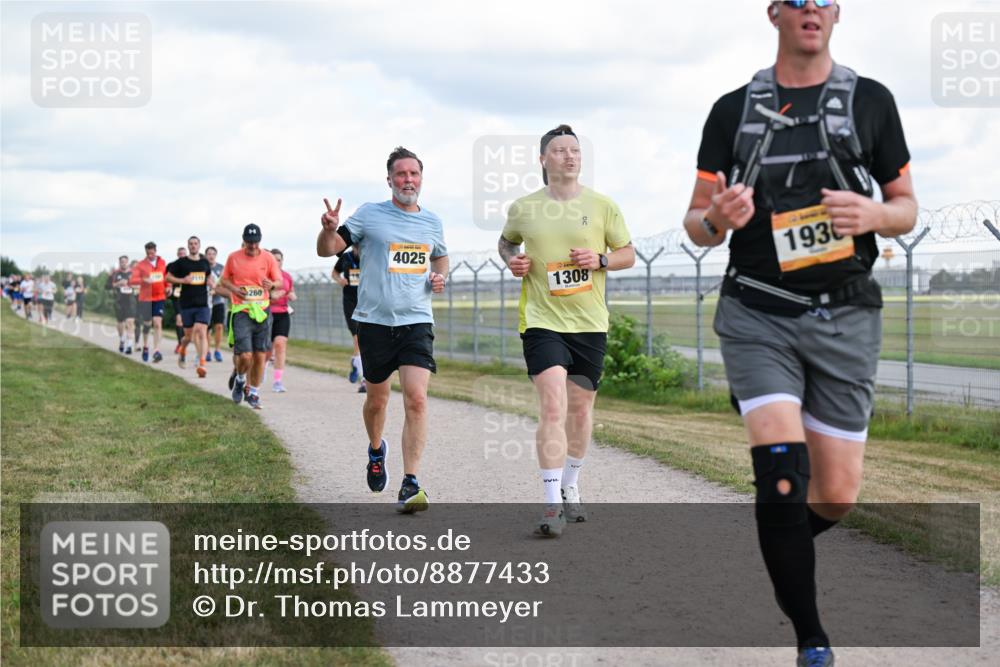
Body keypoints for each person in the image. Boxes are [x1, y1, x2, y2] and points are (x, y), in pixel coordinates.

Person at [682, 2, 918, 664]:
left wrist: (873, 212)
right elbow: (694, 223)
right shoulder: (732, 111)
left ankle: (776, 534)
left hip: (845, 313)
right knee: (782, 475)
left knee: (837, 494)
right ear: (775, 13)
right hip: (758, 311)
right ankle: (812, 639)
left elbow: (906, 207)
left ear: (836, 14)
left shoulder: (871, 102)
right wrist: (717, 220)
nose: (810, 8)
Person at [498, 124, 635, 537]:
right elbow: (506, 243)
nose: (569, 156)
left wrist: (601, 260)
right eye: (559, 150)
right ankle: (551, 503)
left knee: (580, 410)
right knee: (554, 406)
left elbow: (627, 253)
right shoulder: (524, 207)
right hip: (541, 320)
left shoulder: (602, 205)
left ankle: (572, 484)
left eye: (574, 150)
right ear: (543, 159)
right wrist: (512, 260)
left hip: (590, 322)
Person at [316, 146, 448, 513]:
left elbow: (439, 254)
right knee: (377, 401)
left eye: (414, 174)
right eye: (401, 174)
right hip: (374, 322)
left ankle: (411, 482)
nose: (408, 180)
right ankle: (376, 449)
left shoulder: (432, 222)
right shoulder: (370, 216)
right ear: (389, 179)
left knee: (416, 398)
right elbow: (329, 250)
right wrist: (327, 230)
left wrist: (440, 276)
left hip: (416, 320)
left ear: (422, 178)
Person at [219, 224, 284, 410]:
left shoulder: (268, 257)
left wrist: (271, 284)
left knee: (260, 355)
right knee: (245, 355)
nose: (253, 246)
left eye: (256, 242)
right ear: (244, 240)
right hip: (242, 310)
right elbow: (224, 280)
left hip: (262, 311)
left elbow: (278, 281)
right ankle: (240, 379)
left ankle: (254, 392)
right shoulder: (234, 257)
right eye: (249, 242)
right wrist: (234, 290)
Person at [167, 236, 215, 378]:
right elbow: (168, 277)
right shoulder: (181, 263)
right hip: (187, 304)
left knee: (201, 331)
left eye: (195, 244)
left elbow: (208, 277)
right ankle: (183, 350)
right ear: (188, 246)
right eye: (191, 244)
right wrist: (182, 280)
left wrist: (210, 283)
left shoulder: (204, 262)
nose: (193, 246)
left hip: (202, 304)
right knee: (188, 336)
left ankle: (202, 364)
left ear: (199, 246)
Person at [332, 244, 366, 393]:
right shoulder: (345, 257)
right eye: (356, 246)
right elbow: (334, 272)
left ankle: (355, 362)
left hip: (367, 301)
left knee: (367, 339)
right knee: (358, 338)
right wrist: (339, 280)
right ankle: (364, 380)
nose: (358, 248)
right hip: (350, 302)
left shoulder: (369, 256)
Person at [130, 242, 169, 363]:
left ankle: (157, 350)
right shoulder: (141, 265)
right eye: (148, 253)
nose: (150, 255)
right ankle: (145, 346)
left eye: (152, 253)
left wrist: (168, 286)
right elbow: (132, 280)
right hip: (146, 299)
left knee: (157, 323)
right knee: (147, 324)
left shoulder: (162, 262)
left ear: (156, 251)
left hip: (159, 297)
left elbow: (166, 276)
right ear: (145, 252)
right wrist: (144, 280)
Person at [265, 249, 296, 392]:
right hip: (267, 314)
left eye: (279, 259)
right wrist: (272, 296)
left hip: (283, 314)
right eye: (274, 259)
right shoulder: (266, 277)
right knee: (266, 350)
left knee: (280, 344)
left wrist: (291, 295)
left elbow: (291, 291)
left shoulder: (287, 276)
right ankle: (261, 369)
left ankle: (277, 381)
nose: (277, 262)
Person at [107, 256, 136, 354]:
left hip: (131, 301)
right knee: (120, 324)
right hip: (119, 301)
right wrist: (118, 283)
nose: (123, 263)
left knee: (130, 322)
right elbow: (107, 286)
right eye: (121, 262)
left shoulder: (133, 273)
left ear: (128, 262)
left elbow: (140, 285)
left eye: (125, 262)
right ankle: (122, 339)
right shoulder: (115, 274)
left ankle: (129, 346)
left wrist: (130, 284)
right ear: (119, 263)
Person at [205, 246, 227, 363]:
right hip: (206, 302)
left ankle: (217, 350)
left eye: (213, 254)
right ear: (206, 255)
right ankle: (207, 351)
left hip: (219, 301)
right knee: (207, 329)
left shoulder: (221, 268)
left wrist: (216, 290)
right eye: (209, 254)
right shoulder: (202, 267)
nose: (211, 256)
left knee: (219, 326)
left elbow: (224, 283)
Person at [166, 246, 187, 353]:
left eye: (184, 253)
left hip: (189, 296)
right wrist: (168, 286)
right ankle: (181, 343)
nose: (182, 255)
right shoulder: (171, 265)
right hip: (176, 296)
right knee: (179, 320)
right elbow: (166, 277)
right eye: (180, 253)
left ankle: (185, 341)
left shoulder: (190, 265)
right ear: (177, 254)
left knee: (186, 322)